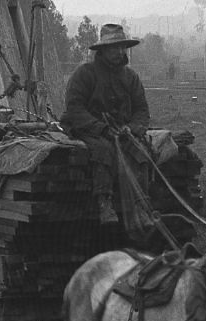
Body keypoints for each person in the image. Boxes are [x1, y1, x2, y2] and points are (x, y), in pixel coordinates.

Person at [61, 23, 157, 236]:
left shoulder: (131, 78)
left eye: (122, 47)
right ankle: (104, 202)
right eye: (114, 48)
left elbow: (141, 109)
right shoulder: (85, 74)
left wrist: (132, 129)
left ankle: (141, 205)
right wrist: (101, 129)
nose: (119, 52)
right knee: (103, 150)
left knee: (140, 151)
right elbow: (75, 108)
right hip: (89, 129)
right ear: (102, 51)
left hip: (122, 130)